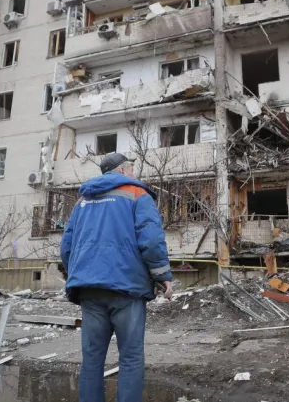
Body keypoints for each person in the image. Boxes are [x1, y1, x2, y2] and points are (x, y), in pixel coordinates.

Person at [61, 152, 174, 402]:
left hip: (89, 291)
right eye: (132, 168)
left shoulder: (82, 202)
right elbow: (152, 240)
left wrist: (78, 274)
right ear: (123, 171)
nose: (134, 173)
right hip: (127, 290)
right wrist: (162, 275)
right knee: (131, 358)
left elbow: (66, 246)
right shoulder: (137, 195)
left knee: (91, 359)